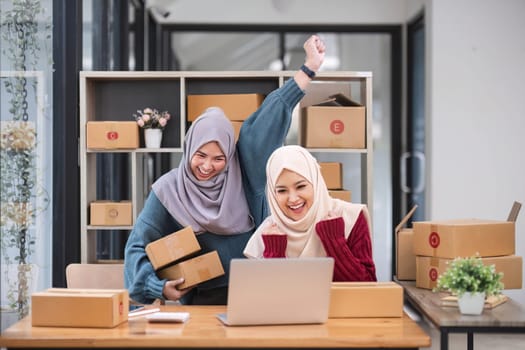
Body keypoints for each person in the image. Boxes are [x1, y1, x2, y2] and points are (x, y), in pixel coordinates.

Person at [124, 35, 326, 305]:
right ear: (188, 149)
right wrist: (156, 286)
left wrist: (310, 68)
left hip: (262, 291)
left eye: (219, 158)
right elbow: (137, 245)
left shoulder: (246, 171)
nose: (207, 166)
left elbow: (270, 117)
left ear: (230, 155)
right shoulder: (168, 190)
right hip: (202, 299)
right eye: (200, 155)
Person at [243, 145, 377, 282]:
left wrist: (334, 241)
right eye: (282, 191)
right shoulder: (269, 232)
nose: (293, 199)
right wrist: (275, 253)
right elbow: (266, 298)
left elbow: (367, 285)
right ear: (272, 193)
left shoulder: (350, 217)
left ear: (316, 183)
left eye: (301, 186)